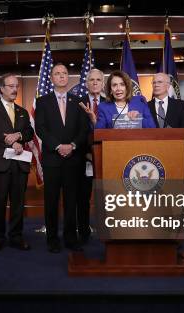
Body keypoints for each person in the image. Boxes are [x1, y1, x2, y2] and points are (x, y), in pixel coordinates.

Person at [35, 63, 89, 253]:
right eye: (57, 73)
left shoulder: (79, 101)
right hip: (52, 160)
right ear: (51, 78)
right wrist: (58, 146)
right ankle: (52, 239)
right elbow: (40, 128)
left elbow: (84, 129)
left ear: (68, 77)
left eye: (64, 73)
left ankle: (70, 238)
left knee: (71, 201)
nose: (61, 76)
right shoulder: (42, 101)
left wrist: (72, 145)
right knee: (51, 201)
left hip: (74, 159)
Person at [0, 74, 34, 251]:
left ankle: (16, 236)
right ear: (1, 89)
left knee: (18, 203)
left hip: (19, 163)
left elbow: (29, 132)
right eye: (10, 86)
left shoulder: (22, 111)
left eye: (16, 86)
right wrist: (12, 141)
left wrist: (19, 136)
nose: (14, 89)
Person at [77, 68, 106, 244]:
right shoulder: (77, 103)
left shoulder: (110, 103)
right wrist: (87, 152)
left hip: (106, 158)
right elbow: (74, 130)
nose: (95, 83)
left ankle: (108, 230)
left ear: (103, 83)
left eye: (98, 80)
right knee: (83, 198)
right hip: (83, 158)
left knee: (106, 197)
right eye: (91, 80)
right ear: (86, 83)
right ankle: (84, 231)